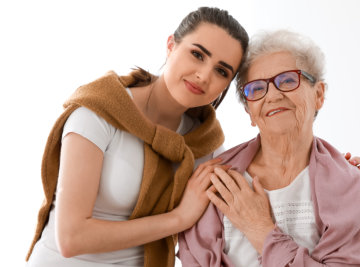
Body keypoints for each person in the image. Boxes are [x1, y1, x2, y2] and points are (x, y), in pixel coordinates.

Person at [25, 7, 249, 267]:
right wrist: (178, 219)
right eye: (197, 54)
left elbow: (221, 237)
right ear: (171, 46)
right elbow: (71, 238)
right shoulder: (99, 111)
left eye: (222, 71)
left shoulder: (206, 146)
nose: (204, 75)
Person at [178, 30, 360, 266]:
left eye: (287, 80)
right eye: (256, 89)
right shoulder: (215, 182)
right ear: (249, 112)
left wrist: (260, 229)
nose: (272, 95)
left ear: (319, 95)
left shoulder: (352, 189)